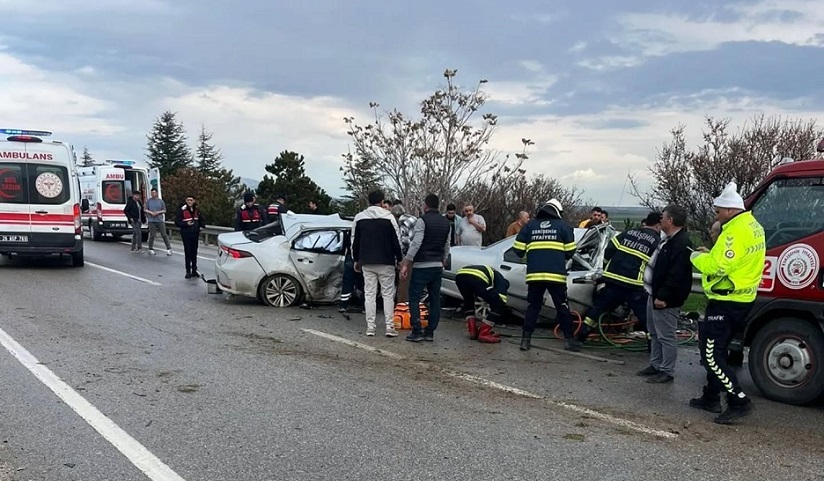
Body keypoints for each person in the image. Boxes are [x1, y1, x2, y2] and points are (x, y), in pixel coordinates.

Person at [689, 182, 766, 424]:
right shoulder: (753, 226)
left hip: (727, 301)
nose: (717, 214)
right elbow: (733, 259)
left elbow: (719, 265)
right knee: (718, 349)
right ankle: (711, 396)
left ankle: (738, 400)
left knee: (711, 355)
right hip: (742, 298)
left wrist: (696, 257)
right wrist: (711, 253)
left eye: (718, 210)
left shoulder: (734, 232)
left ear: (731, 210)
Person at [576, 212, 662, 343]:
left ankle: (580, 337)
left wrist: (605, 268)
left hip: (612, 280)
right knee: (646, 317)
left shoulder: (628, 232)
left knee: (597, 310)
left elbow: (609, 248)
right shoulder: (656, 241)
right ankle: (653, 346)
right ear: (658, 225)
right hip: (633, 285)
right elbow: (656, 266)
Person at [513, 199, 580, 351]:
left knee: (533, 307)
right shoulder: (564, 227)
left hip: (534, 275)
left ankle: (525, 340)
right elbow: (571, 251)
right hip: (556, 276)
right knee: (562, 307)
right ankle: (569, 341)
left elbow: (517, 250)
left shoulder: (530, 226)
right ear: (557, 211)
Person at [637, 205, 694, 384]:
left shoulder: (681, 243)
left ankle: (667, 370)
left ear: (670, 221)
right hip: (653, 294)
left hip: (665, 298)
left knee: (666, 335)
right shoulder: (668, 240)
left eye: (663, 217)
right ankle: (655, 364)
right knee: (654, 332)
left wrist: (663, 296)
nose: (660, 220)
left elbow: (676, 274)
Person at [351, 190, 403, 337]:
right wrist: (399, 259)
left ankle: (370, 327)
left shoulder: (359, 218)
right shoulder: (389, 217)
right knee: (387, 294)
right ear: (382, 201)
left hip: (367, 261)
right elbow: (396, 241)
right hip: (386, 261)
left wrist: (356, 259)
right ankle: (389, 327)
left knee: (369, 294)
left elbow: (354, 241)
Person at [400, 194, 451, 343]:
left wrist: (406, 261)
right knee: (435, 299)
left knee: (414, 297)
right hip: (437, 266)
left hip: (422, 265)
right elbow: (447, 244)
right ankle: (430, 331)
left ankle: (417, 330)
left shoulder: (422, 221)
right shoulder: (445, 222)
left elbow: (416, 243)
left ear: (426, 205)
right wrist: (444, 259)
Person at [456, 265, 509, 343]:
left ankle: (473, 331)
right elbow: (502, 300)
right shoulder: (502, 282)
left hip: (460, 275)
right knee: (499, 305)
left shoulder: (494, 275)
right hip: (477, 277)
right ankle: (484, 333)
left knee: (468, 301)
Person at [175, 195, 205, 279]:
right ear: (186, 201)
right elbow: (177, 222)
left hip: (195, 233)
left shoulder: (197, 210)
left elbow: (201, 220)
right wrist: (185, 224)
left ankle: (194, 270)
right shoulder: (182, 210)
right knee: (188, 252)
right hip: (186, 233)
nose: (189, 202)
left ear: (194, 201)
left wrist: (202, 226)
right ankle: (188, 271)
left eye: (191, 200)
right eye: (188, 200)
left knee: (194, 252)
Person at [144, 188, 172, 256]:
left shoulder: (160, 201)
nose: (153, 194)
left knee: (164, 234)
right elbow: (145, 209)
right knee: (152, 235)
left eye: (154, 193)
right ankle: (150, 249)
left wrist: (158, 212)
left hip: (159, 220)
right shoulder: (149, 201)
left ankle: (169, 249)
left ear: (156, 193)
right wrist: (151, 212)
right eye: (152, 193)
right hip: (151, 220)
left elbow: (164, 210)